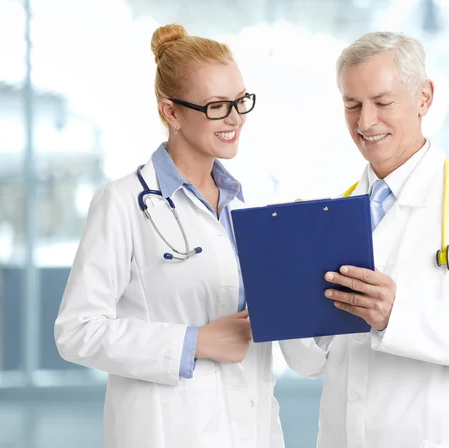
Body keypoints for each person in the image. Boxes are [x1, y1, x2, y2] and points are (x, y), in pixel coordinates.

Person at [279, 31, 449, 448]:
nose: (365, 122)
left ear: (423, 97)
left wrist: (398, 314)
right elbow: (312, 363)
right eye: (352, 105)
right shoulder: (329, 217)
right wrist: (285, 298)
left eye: (382, 103)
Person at [54, 24, 284, 448]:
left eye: (240, 101)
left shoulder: (246, 206)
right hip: (166, 431)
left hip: (252, 428)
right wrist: (194, 341)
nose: (235, 118)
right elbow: (76, 331)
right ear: (171, 112)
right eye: (217, 106)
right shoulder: (122, 202)